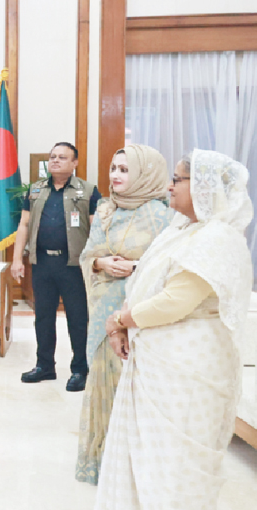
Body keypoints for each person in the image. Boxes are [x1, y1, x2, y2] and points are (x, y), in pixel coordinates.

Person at [96, 150, 253, 509]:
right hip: (156, 366)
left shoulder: (217, 239)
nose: (170, 185)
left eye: (178, 179)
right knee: (146, 458)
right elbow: (144, 282)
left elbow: (174, 302)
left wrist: (119, 321)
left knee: (171, 469)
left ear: (202, 188)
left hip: (186, 374)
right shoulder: (182, 229)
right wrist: (121, 323)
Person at [74, 145, 173, 485]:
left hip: (140, 315)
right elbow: (89, 255)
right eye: (114, 168)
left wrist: (136, 266)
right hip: (104, 313)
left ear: (146, 174)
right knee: (103, 383)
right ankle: (103, 464)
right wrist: (102, 263)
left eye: (125, 170)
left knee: (136, 390)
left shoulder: (165, 216)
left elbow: (169, 266)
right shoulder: (105, 210)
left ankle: (137, 468)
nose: (115, 175)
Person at [10, 142, 102, 391]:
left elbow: (97, 230)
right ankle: (45, 366)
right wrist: (17, 259)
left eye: (62, 157)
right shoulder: (36, 190)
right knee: (43, 317)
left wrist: (98, 262)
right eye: (52, 157)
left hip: (73, 265)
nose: (56, 161)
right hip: (42, 263)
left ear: (75, 163)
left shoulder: (88, 191)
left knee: (77, 318)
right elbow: (24, 225)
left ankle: (80, 369)